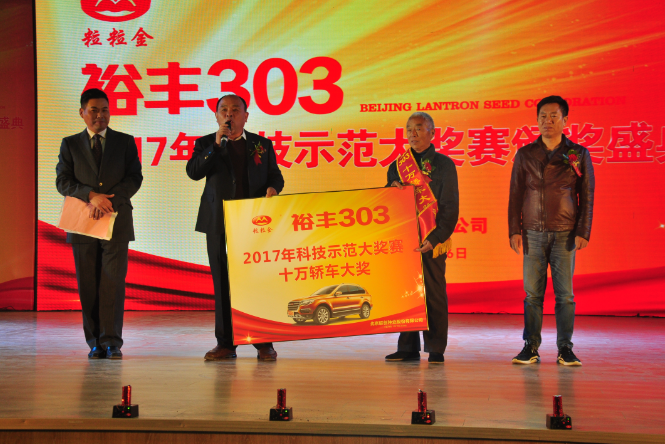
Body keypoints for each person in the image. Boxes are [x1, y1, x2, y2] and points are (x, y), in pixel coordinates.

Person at [186, 94, 284, 361]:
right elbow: (193, 172)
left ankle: (263, 342)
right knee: (222, 282)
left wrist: (273, 188)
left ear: (246, 116)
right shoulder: (206, 143)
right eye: (224, 110)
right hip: (218, 221)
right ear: (217, 116)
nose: (229, 114)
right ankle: (226, 344)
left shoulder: (262, 144)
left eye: (235, 110)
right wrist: (216, 145)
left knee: (256, 281)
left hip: (253, 223)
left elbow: (275, 175)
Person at [56, 88, 143, 359]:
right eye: (93, 110)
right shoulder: (70, 144)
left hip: (116, 220)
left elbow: (134, 178)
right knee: (88, 284)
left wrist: (109, 201)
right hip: (83, 222)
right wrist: (91, 196)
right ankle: (95, 342)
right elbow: (63, 181)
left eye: (104, 110)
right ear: (82, 112)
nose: (99, 115)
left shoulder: (125, 142)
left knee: (113, 283)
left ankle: (112, 341)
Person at [508, 95, 595, 366]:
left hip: (565, 232)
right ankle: (530, 346)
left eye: (553, 116)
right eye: (543, 116)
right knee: (532, 295)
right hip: (532, 232)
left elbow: (587, 194)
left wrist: (583, 230)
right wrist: (514, 229)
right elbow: (515, 194)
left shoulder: (578, 153)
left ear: (565, 120)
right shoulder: (525, 154)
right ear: (537, 120)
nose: (547, 121)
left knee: (565, 296)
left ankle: (565, 348)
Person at [384, 112, 459, 364]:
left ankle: (436, 348)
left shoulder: (444, 165)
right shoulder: (397, 166)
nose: (412, 134)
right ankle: (407, 347)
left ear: (432, 133)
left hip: (431, 239)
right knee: (408, 292)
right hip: (406, 239)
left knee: (433, 293)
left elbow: (450, 206)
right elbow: (387, 206)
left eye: (418, 128)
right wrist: (391, 192)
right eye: (409, 129)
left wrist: (436, 238)